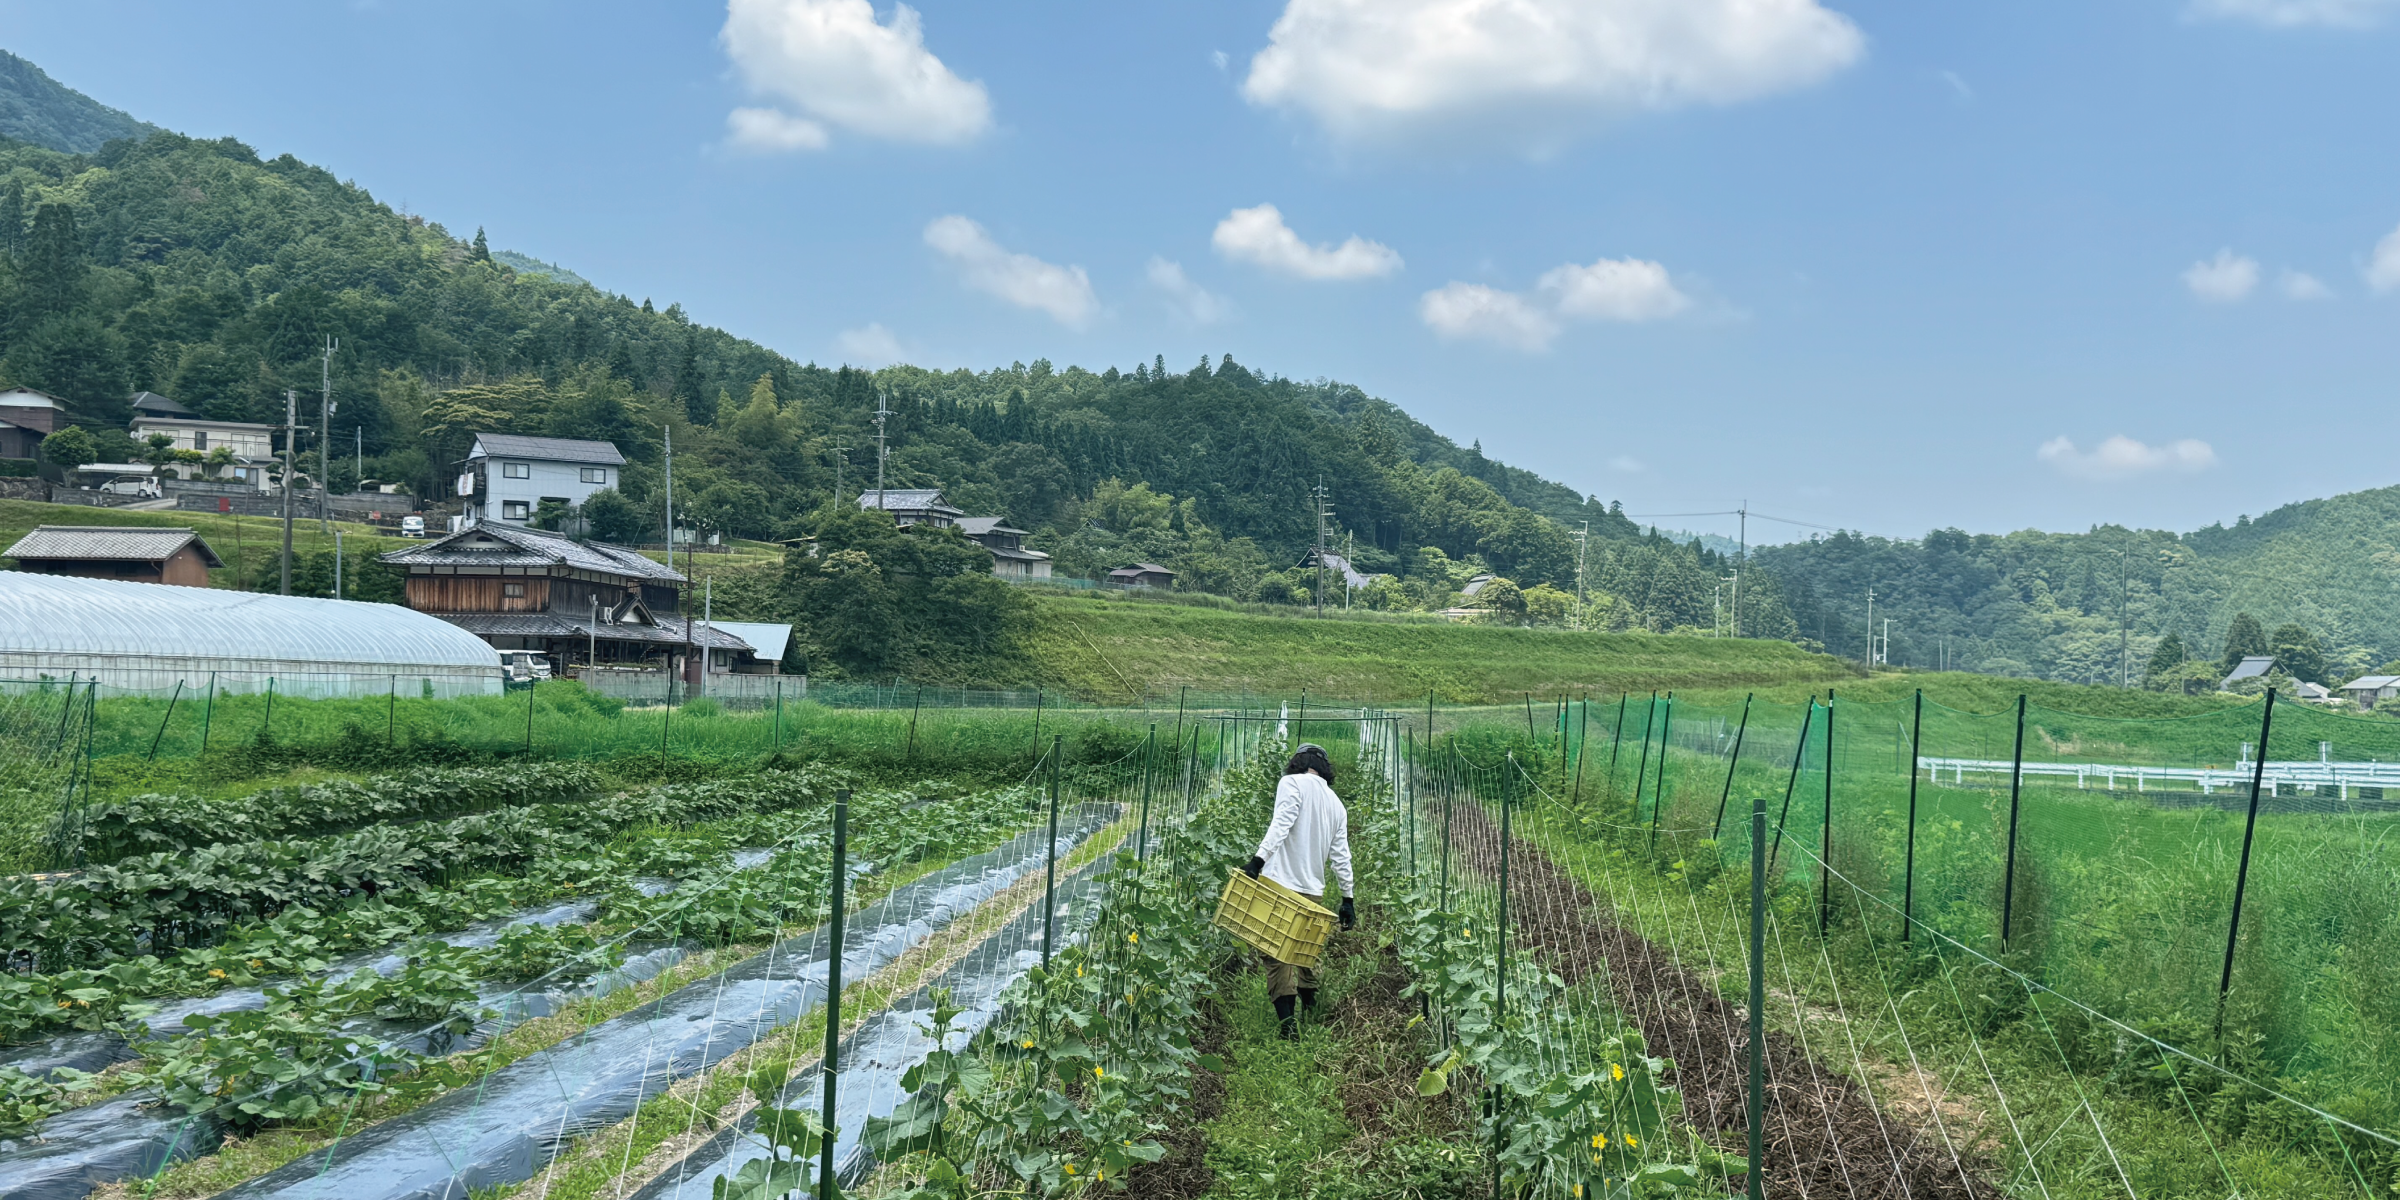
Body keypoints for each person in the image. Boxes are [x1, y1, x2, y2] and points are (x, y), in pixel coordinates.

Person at [1242, 743, 1356, 1039]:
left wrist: (1257, 861)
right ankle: (1311, 1010)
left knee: (1276, 954)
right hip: (1312, 891)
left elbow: (1281, 823)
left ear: (1296, 762)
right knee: (1305, 953)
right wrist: (1348, 898)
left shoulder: (1290, 783)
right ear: (1325, 770)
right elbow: (1341, 854)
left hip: (1281, 885)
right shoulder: (1336, 804)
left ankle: (1288, 1026)